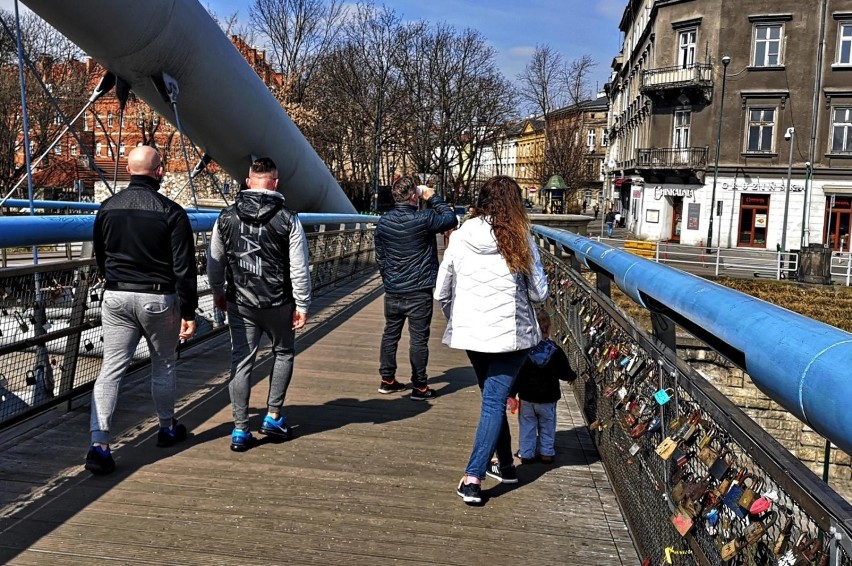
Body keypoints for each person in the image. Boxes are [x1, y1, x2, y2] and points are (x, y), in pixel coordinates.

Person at [435, 175, 548, 505]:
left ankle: (507, 466)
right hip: (511, 335)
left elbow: (442, 291)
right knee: (494, 400)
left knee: (492, 398)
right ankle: (474, 478)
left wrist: (458, 319)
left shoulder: (460, 235)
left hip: (472, 332)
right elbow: (539, 292)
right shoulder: (522, 237)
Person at [86, 145, 197, 475]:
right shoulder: (172, 212)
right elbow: (184, 268)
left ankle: (99, 444)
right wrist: (188, 313)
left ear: (129, 169)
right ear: (159, 171)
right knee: (163, 363)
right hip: (157, 299)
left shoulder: (107, 208)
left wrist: (115, 281)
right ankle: (166, 428)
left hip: (116, 296)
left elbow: (101, 257)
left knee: (111, 370)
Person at [207, 157, 311, 452]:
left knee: (241, 361)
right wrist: (302, 303)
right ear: (275, 183)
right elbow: (299, 267)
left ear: (249, 181)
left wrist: (218, 291)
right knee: (284, 352)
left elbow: (214, 261)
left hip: (240, 301)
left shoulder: (226, 217)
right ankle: (273, 416)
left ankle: (240, 430)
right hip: (278, 301)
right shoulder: (288, 218)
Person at [374, 176, 457, 399]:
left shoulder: (383, 222)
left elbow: (380, 257)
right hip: (419, 289)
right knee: (418, 339)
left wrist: (388, 278)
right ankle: (420, 386)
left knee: (390, 334)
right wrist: (432, 197)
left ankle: (387, 379)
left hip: (393, 289)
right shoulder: (425, 218)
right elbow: (450, 219)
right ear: (414, 196)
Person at [511, 309, 577, 465]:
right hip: (548, 398)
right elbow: (564, 371)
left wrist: (512, 393)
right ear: (548, 329)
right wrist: (572, 377)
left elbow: (517, 375)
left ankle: (526, 454)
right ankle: (546, 452)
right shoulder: (555, 351)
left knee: (527, 426)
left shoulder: (524, 351)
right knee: (547, 425)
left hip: (527, 398)